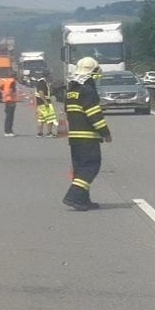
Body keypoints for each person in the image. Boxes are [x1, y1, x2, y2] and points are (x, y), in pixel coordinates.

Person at [62, 57, 111, 211]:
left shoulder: (71, 91)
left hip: (74, 137)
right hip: (88, 137)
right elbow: (94, 114)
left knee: (80, 168)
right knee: (90, 167)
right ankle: (73, 196)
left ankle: (83, 200)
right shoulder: (88, 91)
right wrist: (105, 133)